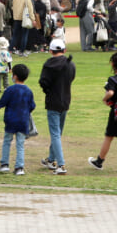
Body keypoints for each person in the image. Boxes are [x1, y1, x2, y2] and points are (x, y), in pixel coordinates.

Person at [0, 63, 35, 175]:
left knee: (7, 141)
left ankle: (4, 164)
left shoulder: (10, 90)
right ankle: (19, 167)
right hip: (23, 121)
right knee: (20, 144)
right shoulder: (28, 91)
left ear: (15, 76)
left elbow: (0, 104)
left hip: (11, 120)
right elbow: (32, 106)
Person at [37, 38, 75, 175]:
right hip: (65, 100)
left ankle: (61, 164)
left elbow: (43, 82)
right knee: (58, 132)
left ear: (51, 51)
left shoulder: (49, 65)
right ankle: (51, 159)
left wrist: (48, 91)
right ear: (64, 50)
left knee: (55, 133)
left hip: (53, 100)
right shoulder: (70, 64)